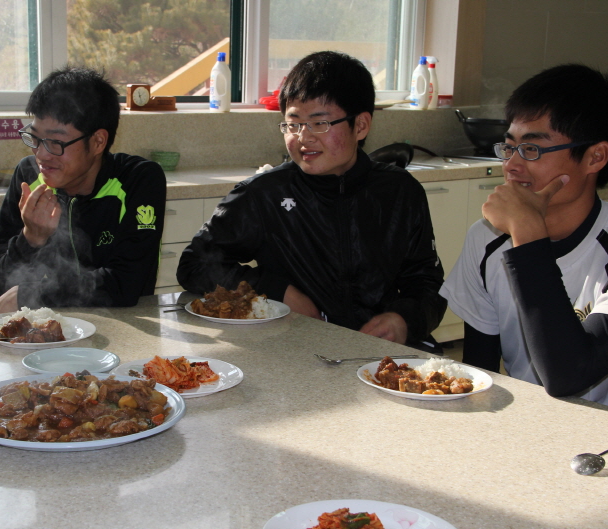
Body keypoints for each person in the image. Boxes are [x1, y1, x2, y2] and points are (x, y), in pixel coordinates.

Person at [176, 51, 446, 348]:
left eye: (320, 123)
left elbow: (427, 284)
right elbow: (194, 264)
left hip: (382, 353)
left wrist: (404, 320)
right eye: (293, 124)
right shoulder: (265, 193)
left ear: (361, 125)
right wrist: (277, 291)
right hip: (296, 350)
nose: (303, 137)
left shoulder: (400, 191)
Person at [440, 64, 608, 408]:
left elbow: (568, 375)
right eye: (509, 147)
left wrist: (527, 232)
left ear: (595, 157)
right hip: (523, 426)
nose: (512, 165)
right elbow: (475, 375)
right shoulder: (485, 239)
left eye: (533, 150)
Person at [0, 66, 166, 312]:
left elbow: (127, 284)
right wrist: (31, 238)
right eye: (35, 138)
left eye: (55, 142)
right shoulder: (29, 176)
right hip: (45, 330)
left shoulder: (138, 179)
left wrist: (32, 294)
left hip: (125, 329)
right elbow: (0, 282)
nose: (41, 154)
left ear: (97, 142)